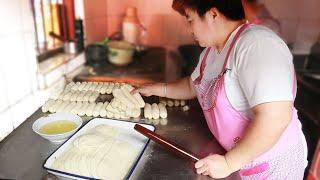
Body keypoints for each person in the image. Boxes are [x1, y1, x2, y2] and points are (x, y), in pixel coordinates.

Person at [133, 0, 308, 179]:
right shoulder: (212, 51)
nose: (190, 29)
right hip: (239, 159)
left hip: (271, 166)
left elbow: (275, 118)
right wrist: (157, 88)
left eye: (190, 19)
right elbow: (191, 86)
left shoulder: (256, 44)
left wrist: (229, 163)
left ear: (213, 14)